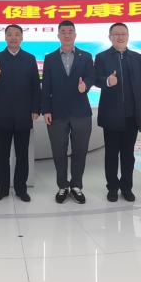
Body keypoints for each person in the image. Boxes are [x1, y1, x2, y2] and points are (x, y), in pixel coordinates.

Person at [94, 22, 141, 203]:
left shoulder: (137, 58)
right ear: (110, 37)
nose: (120, 37)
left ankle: (127, 187)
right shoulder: (102, 57)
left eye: (123, 34)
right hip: (112, 114)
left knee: (128, 155)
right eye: (116, 34)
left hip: (132, 115)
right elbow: (96, 79)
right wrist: (107, 81)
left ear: (128, 37)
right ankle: (112, 187)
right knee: (111, 154)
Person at [42, 21, 95, 204]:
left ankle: (76, 186)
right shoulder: (50, 58)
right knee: (59, 152)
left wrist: (85, 85)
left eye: (70, 31)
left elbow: (91, 75)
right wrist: (46, 109)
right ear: (58, 35)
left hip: (81, 112)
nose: (67, 35)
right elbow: (46, 85)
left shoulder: (86, 56)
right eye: (63, 32)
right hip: (57, 112)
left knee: (80, 151)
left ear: (75, 35)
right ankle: (63, 186)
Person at [0, 25, 41, 202]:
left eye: (17, 34)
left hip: (24, 114)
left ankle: (21, 189)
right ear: (5, 37)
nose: (13, 37)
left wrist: (36, 109)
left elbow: (35, 85)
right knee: (1, 154)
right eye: (9, 34)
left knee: (22, 154)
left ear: (22, 38)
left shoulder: (30, 58)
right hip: (2, 113)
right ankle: (2, 189)